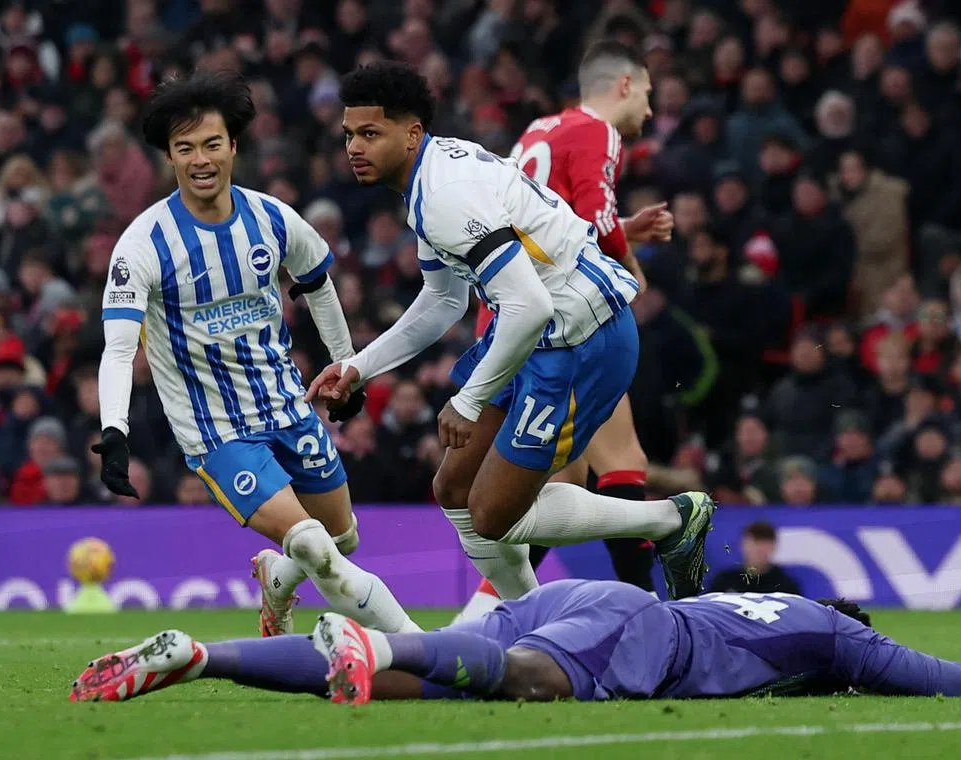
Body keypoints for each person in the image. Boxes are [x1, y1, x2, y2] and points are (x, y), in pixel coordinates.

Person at [307, 61, 714, 602]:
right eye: (350, 135)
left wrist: (470, 400)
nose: (354, 147)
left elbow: (531, 304)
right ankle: (528, 622)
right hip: (532, 332)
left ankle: (670, 518)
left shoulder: (445, 193)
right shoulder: (427, 183)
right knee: (452, 488)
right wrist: (359, 367)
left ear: (412, 134)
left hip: (581, 339)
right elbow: (443, 300)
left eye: (369, 133)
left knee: (493, 513)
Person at [92, 70, 419, 638]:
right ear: (169, 156)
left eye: (212, 144)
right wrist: (114, 429)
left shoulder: (272, 217)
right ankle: (426, 653)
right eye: (185, 148)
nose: (201, 159)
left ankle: (275, 580)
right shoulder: (143, 243)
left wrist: (347, 368)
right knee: (318, 547)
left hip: (289, 408)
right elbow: (119, 347)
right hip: (217, 431)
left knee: (342, 538)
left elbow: (317, 283)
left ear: (234, 146)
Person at [459, 41, 674, 616]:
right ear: (624, 85)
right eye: (648, 94)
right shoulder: (599, 132)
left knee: (576, 474)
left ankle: (492, 612)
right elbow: (596, 224)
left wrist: (625, 227)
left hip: (512, 308)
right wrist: (628, 262)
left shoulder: (539, 129)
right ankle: (645, 606)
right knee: (600, 466)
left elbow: (551, 222)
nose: (649, 112)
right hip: (565, 317)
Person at [68, 580, 961, 704]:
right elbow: (956, 681)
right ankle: (377, 643)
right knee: (537, 685)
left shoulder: (755, 601)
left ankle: (201, 656)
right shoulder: (831, 630)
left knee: (406, 683)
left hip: (573, 595)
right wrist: (859, 660)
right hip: (636, 626)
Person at [707, 521, 801, 595]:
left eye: (765, 543)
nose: (758, 548)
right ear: (743, 545)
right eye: (754, 542)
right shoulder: (725, 580)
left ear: (774, 547)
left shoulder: (785, 585)